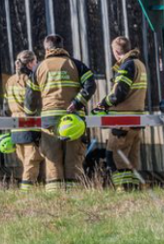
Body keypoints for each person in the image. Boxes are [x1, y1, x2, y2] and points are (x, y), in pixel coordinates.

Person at [28, 35, 96, 191]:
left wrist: (30, 114)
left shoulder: (40, 67)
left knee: (52, 157)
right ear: (63, 46)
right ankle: (74, 194)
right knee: (73, 156)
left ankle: (55, 195)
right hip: (73, 119)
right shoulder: (76, 65)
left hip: (49, 120)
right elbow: (91, 85)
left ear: (46, 49)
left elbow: (31, 96)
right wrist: (77, 102)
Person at [95, 36, 148, 190]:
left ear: (116, 51)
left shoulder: (127, 66)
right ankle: (134, 188)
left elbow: (119, 93)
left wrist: (102, 104)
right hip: (136, 120)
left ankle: (123, 189)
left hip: (122, 121)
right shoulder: (140, 64)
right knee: (131, 158)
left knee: (114, 156)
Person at [4, 50, 43, 191]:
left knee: (25, 161)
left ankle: (33, 189)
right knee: (31, 161)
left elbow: (5, 107)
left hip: (15, 128)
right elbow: (35, 101)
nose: (37, 64)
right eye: (35, 61)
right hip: (30, 126)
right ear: (30, 63)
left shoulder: (10, 81)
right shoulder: (31, 79)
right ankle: (26, 193)